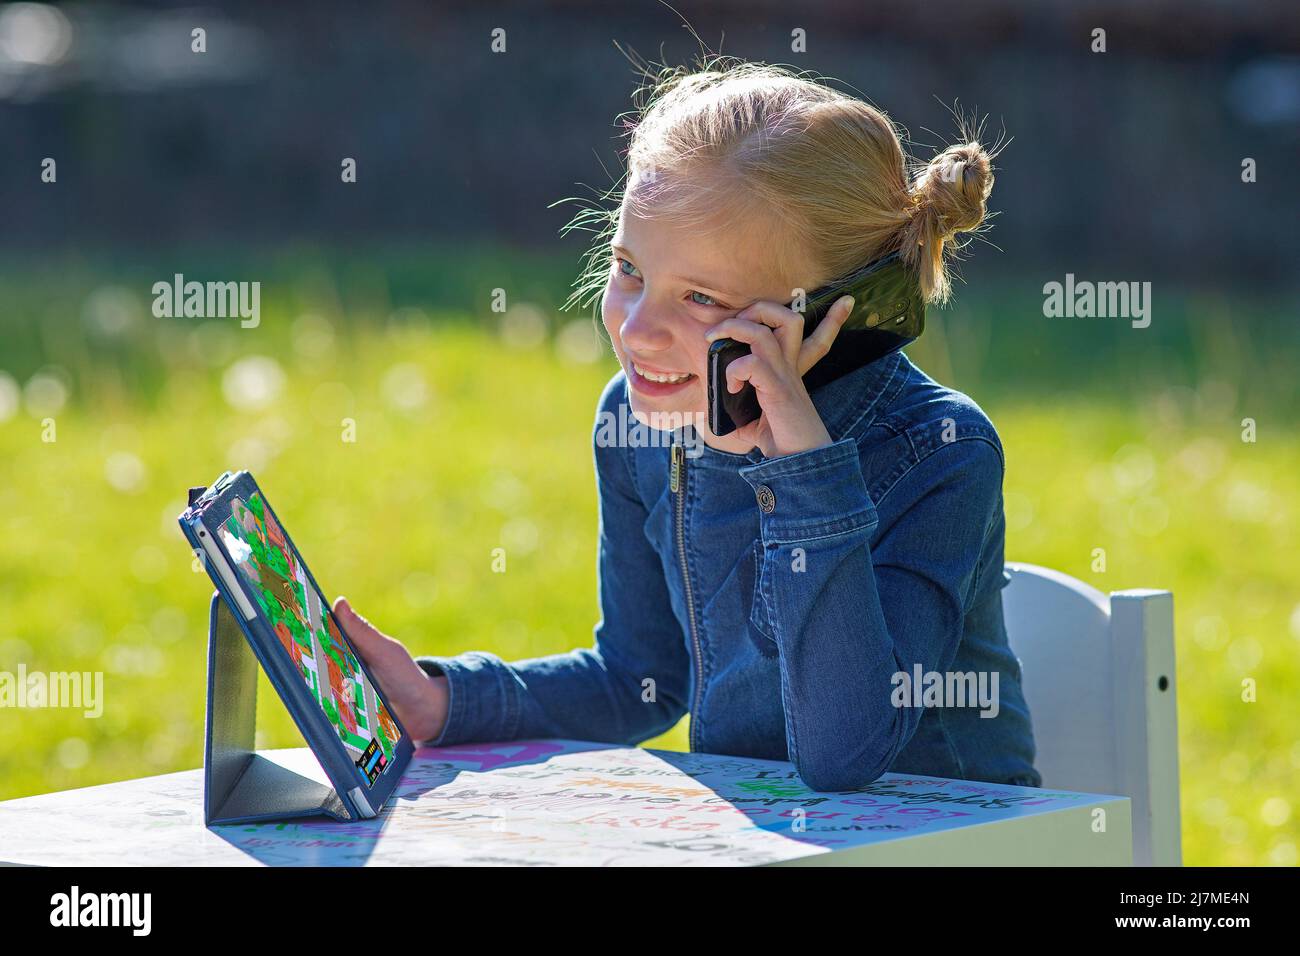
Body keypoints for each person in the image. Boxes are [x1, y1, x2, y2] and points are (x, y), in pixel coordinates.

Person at [336, 57, 1040, 792]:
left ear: (840, 312)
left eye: (700, 297)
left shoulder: (941, 450)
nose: (637, 329)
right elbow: (640, 677)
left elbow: (844, 754)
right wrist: (443, 700)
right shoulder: (638, 423)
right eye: (629, 269)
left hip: (951, 835)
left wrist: (802, 469)